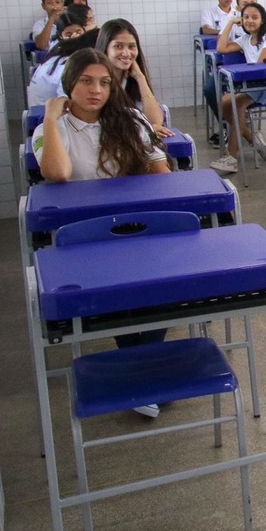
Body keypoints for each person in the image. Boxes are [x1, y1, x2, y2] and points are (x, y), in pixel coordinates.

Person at [33, 49, 172, 416]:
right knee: (121, 289)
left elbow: (161, 174)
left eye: (105, 83)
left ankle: (144, 370)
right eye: (86, 82)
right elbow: (59, 173)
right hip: (81, 236)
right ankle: (148, 372)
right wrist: (50, 116)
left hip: (133, 226)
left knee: (164, 279)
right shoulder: (51, 128)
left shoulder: (128, 119)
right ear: (69, 84)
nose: (96, 90)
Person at [210, 2, 266, 174]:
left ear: (263, 20)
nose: (250, 21)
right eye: (246, 17)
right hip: (253, 85)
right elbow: (221, 48)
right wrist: (231, 23)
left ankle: (232, 158)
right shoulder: (245, 39)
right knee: (225, 103)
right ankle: (252, 138)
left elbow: (261, 64)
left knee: (236, 105)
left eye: (254, 17)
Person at [96, 18, 169, 133]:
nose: (126, 53)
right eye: (118, 46)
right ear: (105, 48)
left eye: (131, 47)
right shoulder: (96, 82)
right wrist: (142, 130)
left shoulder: (130, 79)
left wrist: (140, 77)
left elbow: (155, 121)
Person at [26, 27, 98, 107]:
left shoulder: (62, 55)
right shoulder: (70, 66)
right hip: (46, 114)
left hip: (41, 111)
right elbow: (67, 104)